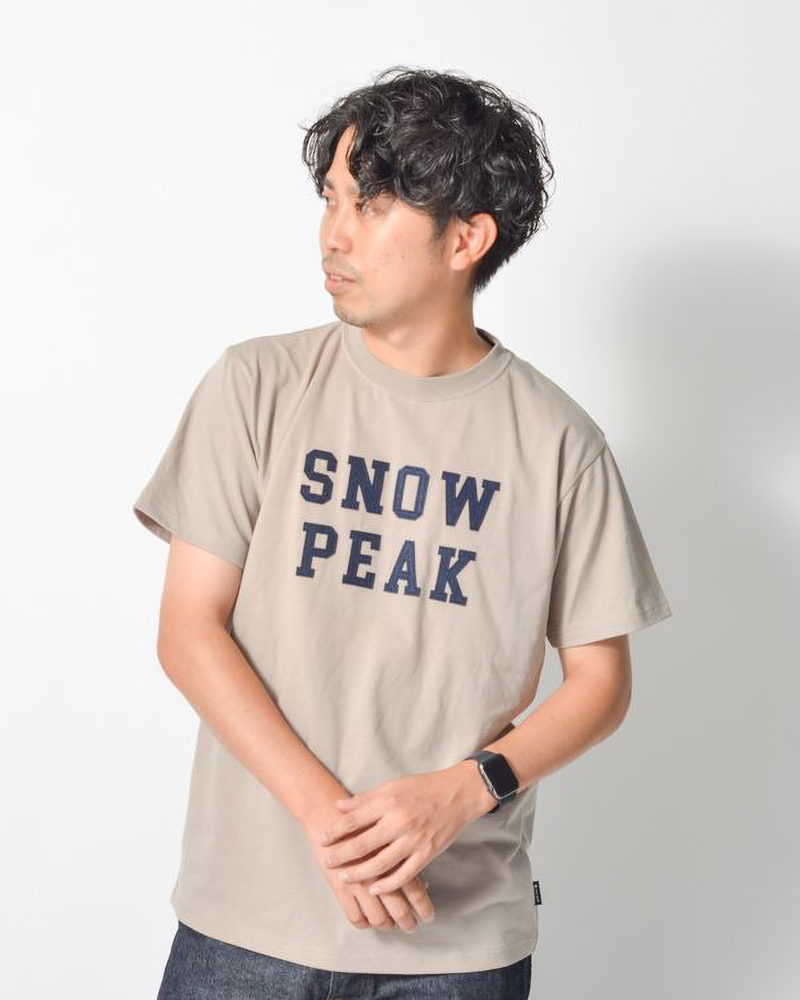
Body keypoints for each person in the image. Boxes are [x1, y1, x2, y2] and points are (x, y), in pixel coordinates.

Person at [134, 65, 672, 999]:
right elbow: (188, 630)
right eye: (333, 199)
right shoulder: (257, 386)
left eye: (373, 206)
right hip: (249, 919)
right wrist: (329, 824)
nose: (334, 234)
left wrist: (461, 792)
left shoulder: (559, 444)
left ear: (466, 239)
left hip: (456, 942)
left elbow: (600, 684)